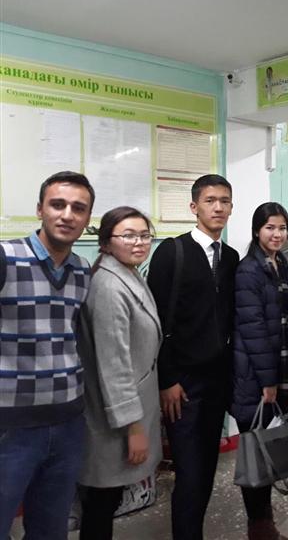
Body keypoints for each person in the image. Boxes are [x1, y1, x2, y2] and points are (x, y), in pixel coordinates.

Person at [0, 171, 94, 540]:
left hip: (68, 423)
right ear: (40, 209)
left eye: (78, 208)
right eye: (58, 204)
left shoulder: (82, 270)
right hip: (11, 427)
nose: (67, 215)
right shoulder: (6, 257)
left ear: (87, 219)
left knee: (51, 531)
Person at [147, 174, 239, 540]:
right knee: (188, 472)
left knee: (207, 468)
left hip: (217, 382)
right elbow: (156, 321)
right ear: (194, 207)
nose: (218, 208)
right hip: (181, 385)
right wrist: (167, 379)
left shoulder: (230, 258)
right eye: (210, 200)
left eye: (225, 201)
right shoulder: (172, 252)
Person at [77, 206, 162, 540]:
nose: (138, 242)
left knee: (106, 500)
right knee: (101, 502)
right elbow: (115, 366)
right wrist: (134, 428)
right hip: (116, 419)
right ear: (106, 242)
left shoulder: (126, 273)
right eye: (128, 236)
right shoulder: (108, 287)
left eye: (144, 235)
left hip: (128, 410)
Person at [231, 202, 288, 540]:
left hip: (280, 370)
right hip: (255, 378)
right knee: (256, 453)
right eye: (270, 227)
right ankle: (259, 527)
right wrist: (268, 382)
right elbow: (253, 329)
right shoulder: (248, 270)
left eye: (282, 228)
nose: (277, 234)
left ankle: (265, 524)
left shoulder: (281, 264)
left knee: (270, 447)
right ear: (257, 230)